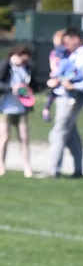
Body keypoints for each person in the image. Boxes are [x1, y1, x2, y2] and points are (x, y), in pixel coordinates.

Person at [45, 27, 83, 179]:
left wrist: (73, 86)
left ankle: (53, 170)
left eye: (67, 42)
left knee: (58, 132)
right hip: (64, 95)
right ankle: (78, 170)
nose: (65, 46)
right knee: (71, 135)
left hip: (72, 97)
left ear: (76, 39)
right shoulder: (74, 55)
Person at [0, 44, 38, 178]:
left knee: (24, 138)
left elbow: (33, 85)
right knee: (4, 138)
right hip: (6, 107)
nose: (24, 61)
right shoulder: (6, 66)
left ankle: (27, 167)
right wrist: (12, 88)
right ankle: (1, 165)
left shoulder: (27, 69)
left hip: (22, 108)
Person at [42, 30, 68, 123]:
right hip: (60, 76)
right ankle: (46, 110)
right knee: (54, 93)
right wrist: (56, 75)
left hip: (65, 76)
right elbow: (53, 63)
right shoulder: (57, 51)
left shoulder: (66, 51)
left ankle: (46, 110)